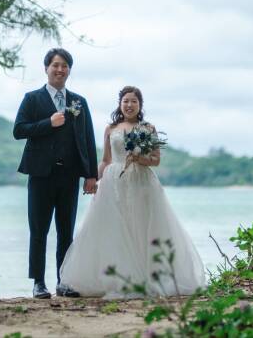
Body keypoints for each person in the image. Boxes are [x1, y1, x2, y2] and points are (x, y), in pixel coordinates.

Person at [58, 86, 205, 298]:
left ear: (140, 105)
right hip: (114, 183)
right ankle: (118, 277)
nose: (129, 105)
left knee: (143, 226)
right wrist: (92, 179)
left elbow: (155, 160)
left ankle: (147, 277)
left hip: (142, 181)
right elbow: (106, 160)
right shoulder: (111, 128)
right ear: (120, 104)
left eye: (134, 101)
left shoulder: (148, 128)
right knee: (115, 229)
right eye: (125, 101)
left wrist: (138, 158)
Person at [13, 48, 98, 299]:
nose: (60, 70)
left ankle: (64, 281)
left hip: (69, 177)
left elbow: (87, 139)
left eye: (65, 66)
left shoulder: (79, 102)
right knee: (38, 231)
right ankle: (39, 283)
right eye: (55, 65)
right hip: (40, 175)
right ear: (46, 68)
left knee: (65, 231)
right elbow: (19, 130)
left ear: (69, 70)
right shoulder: (32, 99)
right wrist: (47, 123)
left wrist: (91, 174)